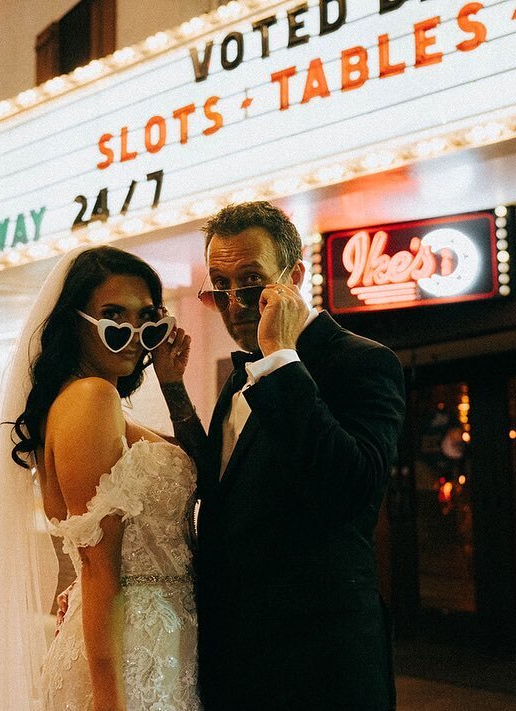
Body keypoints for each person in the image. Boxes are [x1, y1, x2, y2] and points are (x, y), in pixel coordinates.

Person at [167, 201, 406, 710]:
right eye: (221, 286)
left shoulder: (363, 362)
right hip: (235, 657)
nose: (234, 303)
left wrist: (281, 358)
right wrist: (173, 392)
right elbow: (220, 485)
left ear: (294, 275)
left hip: (319, 664)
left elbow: (348, 490)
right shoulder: (240, 376)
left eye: (250, 282)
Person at [0, 246, 202, 711]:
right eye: (113, 317)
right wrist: (108, 694)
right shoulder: (91, 399)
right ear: (75, 323)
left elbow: (199, 469)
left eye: (147, 318)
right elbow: (97, 563)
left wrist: (172, 383)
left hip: (156, 636)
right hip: (136, 648)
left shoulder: (87, 401)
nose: (133, 334)